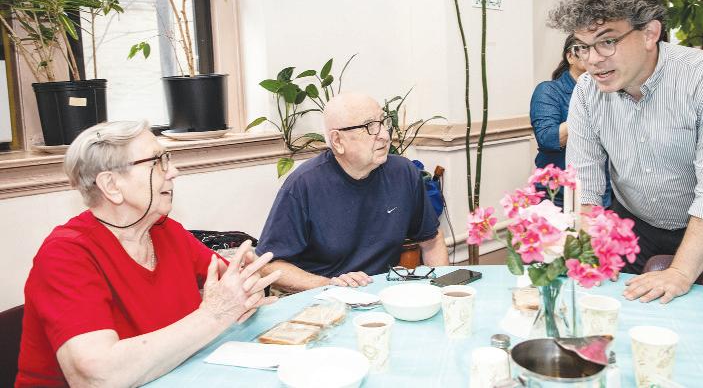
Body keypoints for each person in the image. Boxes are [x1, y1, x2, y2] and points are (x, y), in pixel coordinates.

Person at [16, 121, 281, 387]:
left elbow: (234, 291)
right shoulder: (65, 255)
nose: (173, 171)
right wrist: (214, 315)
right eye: (158, 162)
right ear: (111, 185)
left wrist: (247, 286)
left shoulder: (165, 231)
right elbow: (97, 377)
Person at [549, 0, 703, 304]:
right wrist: (587, 252)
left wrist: (680, 273)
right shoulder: (586, 92)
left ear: (650, 33)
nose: (592, 61)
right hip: (636, 227)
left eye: (607, 41)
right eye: (582, 47)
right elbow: (586, 186)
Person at [255, 92, 449, 292]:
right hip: (321, 298)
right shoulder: (303, 184)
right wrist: (329, 285)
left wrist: (444, 293)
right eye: (370, 126)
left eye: (383, 122)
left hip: (380, 294)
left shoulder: (403, 172)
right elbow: (269, 265)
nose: (384, 135)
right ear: (338, 141)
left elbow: (432, 241)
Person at [530, 34, 612, 207]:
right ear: (570, 57)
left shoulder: (607, 89)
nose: (594, 55)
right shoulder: (549, 90)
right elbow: (547, 138)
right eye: (585, 48)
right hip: (558, 193)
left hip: (603, 189)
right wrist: (585, 112)